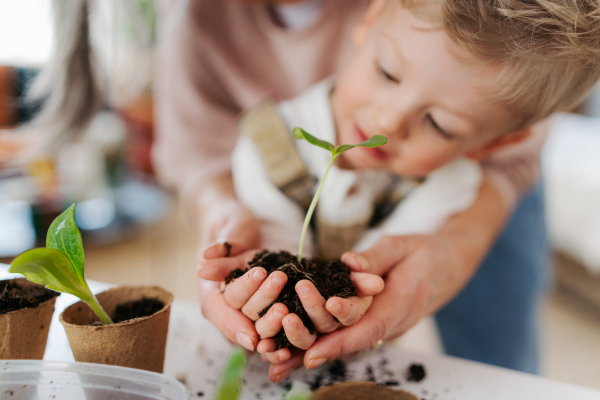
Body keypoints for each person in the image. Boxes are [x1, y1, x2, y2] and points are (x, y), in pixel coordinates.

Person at [153, 0, 597, 382]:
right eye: (386, 73)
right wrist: (264, 290)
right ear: (370, 17)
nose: (388, 122)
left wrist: (361, 295)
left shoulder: (452, 184)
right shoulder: (270, 139)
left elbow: (383, 272)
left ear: (492, 143)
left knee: (496, 353)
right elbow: (201, 160)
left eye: (440, 125)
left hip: (476, 209)